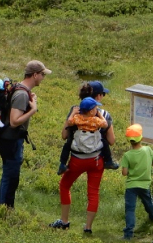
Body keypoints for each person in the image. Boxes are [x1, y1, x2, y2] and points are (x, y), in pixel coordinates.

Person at [0, 59, 50, 209]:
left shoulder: (21, 90)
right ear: (34, 75)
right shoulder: (22, 95)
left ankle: (5, 208)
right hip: (11, 141)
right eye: (42, 75)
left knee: (10, 176)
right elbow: (14, 121)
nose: (43, 78)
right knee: (10, 177)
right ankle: (4, 210)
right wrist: (32, 110)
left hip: (9, 139)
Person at [50, 97, 107, 234]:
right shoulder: (97, 120)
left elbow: (65, 131)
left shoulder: (77, 119)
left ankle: (64, 221)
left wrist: (72, 114)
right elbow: (105, 126)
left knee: (64, 185)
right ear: (92, 110)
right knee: (93, 193)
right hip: (96, 160)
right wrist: (99, 115)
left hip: (78, 160)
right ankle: (88, 227)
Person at [57, 80, 118, 174]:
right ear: (98, 96)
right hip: (96, 158)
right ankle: (109, 162)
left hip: (76, 157)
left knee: (65, 185)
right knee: (93, 188)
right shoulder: (104, 114)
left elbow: (64, 135)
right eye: (103, 94)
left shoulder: (74, 112)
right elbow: (111, 141)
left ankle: (62, 165)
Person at [121, 123, 153, 240]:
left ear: (129, 140)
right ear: (141, 138)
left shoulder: (127, 155)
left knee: (130, 209)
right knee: (148, 202)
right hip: (144, 185)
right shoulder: (148, 150)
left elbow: (124, 173)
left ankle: (128, 233)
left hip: (131, 186)